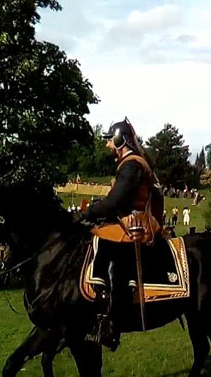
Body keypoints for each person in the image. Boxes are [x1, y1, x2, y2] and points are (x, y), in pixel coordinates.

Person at [84, 118, 164, 350]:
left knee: (108, 247)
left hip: (135, 225)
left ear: (119, 139)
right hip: (127, 220)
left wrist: (88, 212)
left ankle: (112, 321)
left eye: (110, 140)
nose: (108, 145)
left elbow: (117, 200)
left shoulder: (132, 165)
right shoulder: (129, 164)